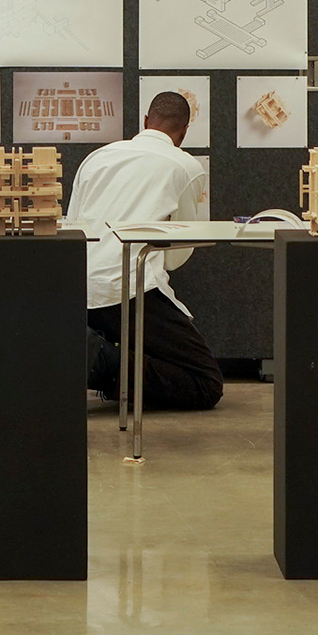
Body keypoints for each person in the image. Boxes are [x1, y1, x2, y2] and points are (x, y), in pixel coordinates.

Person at [71, 92, 225, 412]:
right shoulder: (185, 165)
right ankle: (98, 360)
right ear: (183, 133)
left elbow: (74, 228)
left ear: (144, 122)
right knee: (206, 384)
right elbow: (179, 249)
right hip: (129, 287)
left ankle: (96, 353)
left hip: (77, 287)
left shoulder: (97, 158)